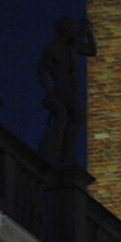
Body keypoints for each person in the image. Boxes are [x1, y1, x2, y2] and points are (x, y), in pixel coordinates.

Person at [37, 17, 97, 164]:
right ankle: (64, 148)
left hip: (73, 89)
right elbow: (41, 70)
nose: (74, 31)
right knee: (75, 116)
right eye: (71, 28)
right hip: (62, 88)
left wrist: (89, 33)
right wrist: (48, 89)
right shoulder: (52, 48)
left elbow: (91, 50)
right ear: (65, 30)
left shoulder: (73, 46)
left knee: (75, 118)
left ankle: (67, 148)